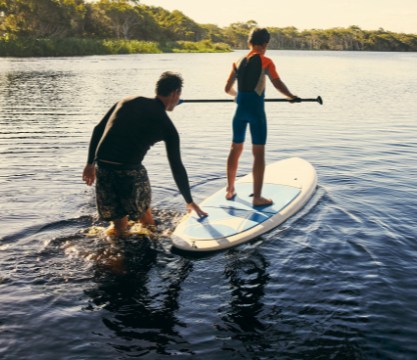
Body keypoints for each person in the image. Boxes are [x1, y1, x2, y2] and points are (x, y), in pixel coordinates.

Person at [82, 71, 208, 232]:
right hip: (129, 172)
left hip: (103, 168)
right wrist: (189, 201)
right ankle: (151, 238)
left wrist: (89, 164)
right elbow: (176, 167)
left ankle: (117, 250)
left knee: (119, 225)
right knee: (147, 219)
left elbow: (98, 129)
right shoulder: (167, 127)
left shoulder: (127, 100)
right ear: (176, 93)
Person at [224, 27, 298, 205]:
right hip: (256, 113)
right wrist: (291, 97)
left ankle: (230, 189)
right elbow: (278, 84)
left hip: (238, 111)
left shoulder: (237, 62)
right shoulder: (266, 62)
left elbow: (227, 89)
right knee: (258, 153)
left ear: (249, 43)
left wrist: (237, 96)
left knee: (235, 150)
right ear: (265, 44)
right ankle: (257, 198)